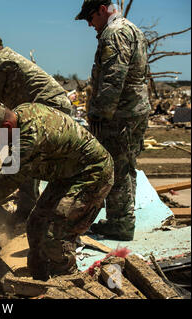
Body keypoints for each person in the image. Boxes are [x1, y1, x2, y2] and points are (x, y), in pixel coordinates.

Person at [0, 103, 114, 280]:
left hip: (92, 174)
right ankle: (41, 278)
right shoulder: (19, 114)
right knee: (35, 224)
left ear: (6, 127)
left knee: (55, 231)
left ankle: (68, 279)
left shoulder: (28, 140)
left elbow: (4, 182)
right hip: (68, 174)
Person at [0, 33, 73, 223]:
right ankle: (33, 206)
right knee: (33, 159)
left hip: (47, 108)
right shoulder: (9, 59)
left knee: (21, 157)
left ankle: (30, 212)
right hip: (54, 105)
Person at [76, 0, 151, 241]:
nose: (89, 24)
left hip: (120, 115)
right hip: (134, 109)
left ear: (102, 9)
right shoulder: (132, 29)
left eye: (90, 17)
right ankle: (123, 219)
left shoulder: (114, 34)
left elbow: (113, 79)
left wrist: (99, 115)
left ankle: (120, 224)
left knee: (116, 168)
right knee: (126, 166)